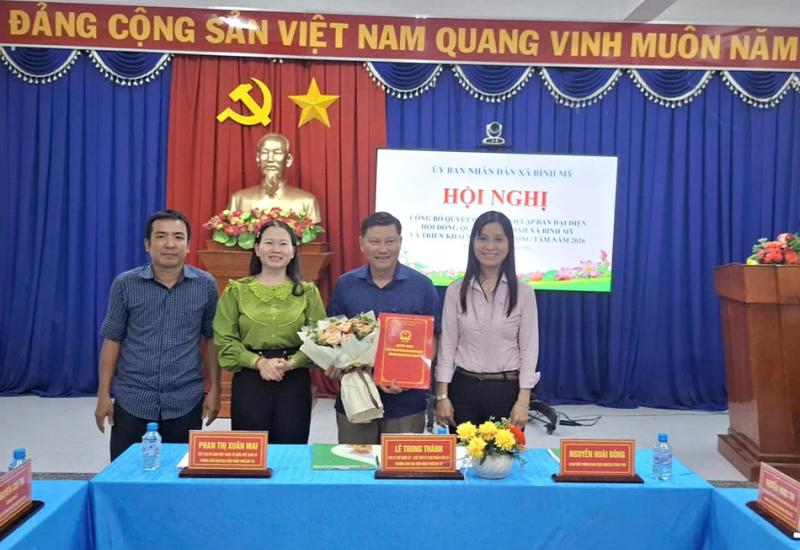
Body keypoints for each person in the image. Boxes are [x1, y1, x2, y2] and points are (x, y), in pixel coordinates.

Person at [94, 210, 221, 461]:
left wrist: (215, 389)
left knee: (178, 473)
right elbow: (112, 339)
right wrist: (103, 394)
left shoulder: (205, 285)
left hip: (185, 399)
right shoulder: (125, 284)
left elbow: (211, 339)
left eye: (178, 237)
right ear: (147, 244)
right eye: (161, 236)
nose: (170, 244)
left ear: (188, 245)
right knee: (126, 473)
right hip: (133, 398)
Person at [327, 211, 440, 444]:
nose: (383, 249)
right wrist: (336, 361)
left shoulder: (422, 286)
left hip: (405, 401)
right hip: (357, 397)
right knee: (355, 462)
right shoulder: (346, 285)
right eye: (375, 242)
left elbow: (433, 339)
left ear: (400, 242)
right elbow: (333, 334)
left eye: (390, 241)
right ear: (361, 243)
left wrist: (409, 376)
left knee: (400, 464)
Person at [213, 220, 326, 442]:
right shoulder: (236, 291)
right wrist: (259, 363)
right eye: (269, 243)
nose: (276, 249)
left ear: (293, 251)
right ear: (257, 249)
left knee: (291, 449)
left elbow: (320, 339)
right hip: (250, 378)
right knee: (250, 449)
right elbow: (224, 339)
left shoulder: (308, 292)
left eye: (283, 243)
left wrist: (293, 362)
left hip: (294, 378)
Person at [435, 211, 540, 429]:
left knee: (502, 452)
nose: (490, 246)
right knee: (462, 451)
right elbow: (447, 346)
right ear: (473, 243)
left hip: (505, 391)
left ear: (509, 245)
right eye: (482, 238)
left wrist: (523, 401)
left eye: (498, 239)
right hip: (462, 389)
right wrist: (442, 396)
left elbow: (529, 349)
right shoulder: (456, 291)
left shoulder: (524, 293)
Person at [228, 133, 322, 223]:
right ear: (258, 158)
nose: (270, 159)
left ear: (288, 160)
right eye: (265, 152)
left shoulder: (307, 201)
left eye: (277, 153)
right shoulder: (238, 199)